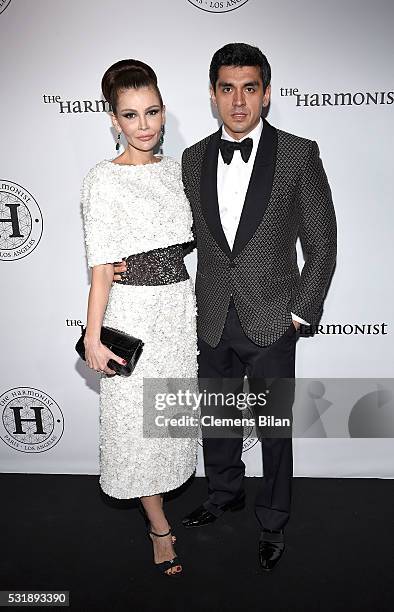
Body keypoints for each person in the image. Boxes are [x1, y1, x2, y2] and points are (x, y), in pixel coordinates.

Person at [115, 42, 337, 572]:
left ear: (265, 93)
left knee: (274, 429)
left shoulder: (299, 154)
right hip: (210, 314)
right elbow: (180, 234)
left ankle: (274, 518)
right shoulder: (191, 160)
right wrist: (129, 263)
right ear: (213, 96)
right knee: (216, 420)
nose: (239, 101)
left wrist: (299, 314)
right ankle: (224, 494)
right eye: (227, 89)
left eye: (250, 88)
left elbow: (322, 243)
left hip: (272, 318)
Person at [81, 59, 198, 577]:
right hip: (134, 315)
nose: (144, 125)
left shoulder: (181, 170)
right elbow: (102, 269)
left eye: (151, 112)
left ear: (164, 112)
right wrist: (92, 336)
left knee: (167, 422)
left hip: (179, 310)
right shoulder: (101, 181)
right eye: (131, 115)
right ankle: (158, 529)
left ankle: (169, 505)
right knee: (135, 428)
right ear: (114, 121)